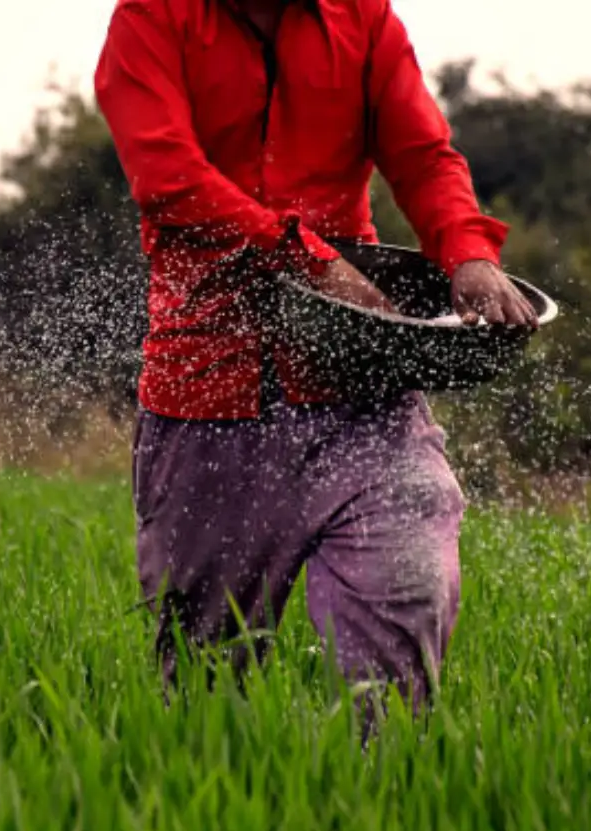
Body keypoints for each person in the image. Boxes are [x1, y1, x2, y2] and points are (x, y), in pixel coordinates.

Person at [94, 0, 537, 727]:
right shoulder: (152, 16)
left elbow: (424, 156)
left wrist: (468, 251)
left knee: (407, 590)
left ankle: (380, 782)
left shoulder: (365, 19)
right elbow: (166, 174)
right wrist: (309, 259)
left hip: (357, 381)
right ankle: (216, 791)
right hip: (210, 397)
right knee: (205, 688)